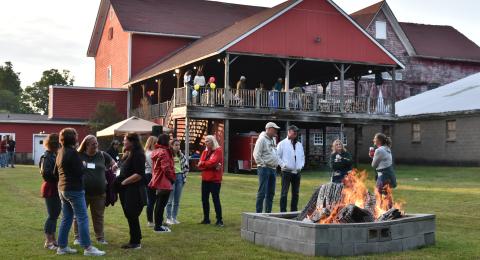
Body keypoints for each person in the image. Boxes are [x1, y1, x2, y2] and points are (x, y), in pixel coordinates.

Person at [56, 128, 105, 256]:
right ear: (73, 138)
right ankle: (88, 248)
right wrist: (83, 165)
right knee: (82, 218)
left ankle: (62, 247)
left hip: (62, 189)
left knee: (66, 218)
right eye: (76, 135)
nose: (77, 136)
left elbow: (55, 172)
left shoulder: (60, 152)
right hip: (74, 190)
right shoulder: (73, 153)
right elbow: (80, 171)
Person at [73, 135, 117, 245]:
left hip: (100, 192)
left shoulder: (102, 155)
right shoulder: (79, 155)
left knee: (98, 217)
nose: (96, 145)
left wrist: (115, 166)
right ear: (86, 145)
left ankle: (100, 238)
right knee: (79, 216)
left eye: (97, 143)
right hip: (82, 192)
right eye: (93, 144)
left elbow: (113, 163)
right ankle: (77, 238)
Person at [116, 133, 147, 249]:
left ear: (132, 142)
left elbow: (139, 174)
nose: (123, 142)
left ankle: (135, 242)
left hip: (134, 190)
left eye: (125, 140)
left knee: (132, 215)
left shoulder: (138, 154)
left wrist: (124, 182)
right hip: (127, 190)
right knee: (130, 215)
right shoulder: (128, 153)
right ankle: (135, 239)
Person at [253, 122, 285, 213]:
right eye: (274, 129)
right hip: (264, 168)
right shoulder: (261, 139)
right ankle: (258, 213)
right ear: (269, 129)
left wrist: (280, 164)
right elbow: (256, 154)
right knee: (262, 192)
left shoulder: (273, 140)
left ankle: (268, 213)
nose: (276, 131)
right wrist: (263, 165)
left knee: (271, 193)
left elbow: (274, 154)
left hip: (273, 169)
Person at [149, 134, 175, 233]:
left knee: (159, 204)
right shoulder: (164, 152)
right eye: (169, 140)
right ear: (165, 141)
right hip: (164, 181)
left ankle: (158, 225)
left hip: (158, 180)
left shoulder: (156, 151)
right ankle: (158, 226)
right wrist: (172, 178)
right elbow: (166, 168)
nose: (170, 142)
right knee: (161, 204)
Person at [39, 133, 61, 250]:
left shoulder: (52, 155)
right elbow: (46, 174)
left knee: (55, 215)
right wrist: (59, 177)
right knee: (52, 215)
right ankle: (48, 241)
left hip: (54, 186)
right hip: (51, 187)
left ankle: (53, 239)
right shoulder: (47, 157)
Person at [277, 125, 305, 212]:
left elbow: (302, 156)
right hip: (286, 172)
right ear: (289, 132)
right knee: (284, 193)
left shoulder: (299, 144)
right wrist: (283, 165)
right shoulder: (282, 144)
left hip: (297, 172)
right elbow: (277, 156)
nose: (295, 134)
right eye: (294, 133)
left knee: (296, 193)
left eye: (296, 133)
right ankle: (283, 212)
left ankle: (294, 211)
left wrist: (301, 165)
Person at [197, 135, 224, 226]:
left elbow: (213, 162)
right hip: (205, 179)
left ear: (213, 141)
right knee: (204, 199)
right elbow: (199, 165)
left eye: (208, 141)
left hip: (215, 180)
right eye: (205, 141)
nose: (206, 142)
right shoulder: (205, 152)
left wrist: (204, 164)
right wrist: (206, 165)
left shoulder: (218, 151)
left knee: (215, 199)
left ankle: (219, 220)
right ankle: (206, 219)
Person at [166, 139, 189, 225]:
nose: (178, 146)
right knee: (169, 200)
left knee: (177, 200)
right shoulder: (168, 155)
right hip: (172, 177)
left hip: (180, 177)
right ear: (171, 145)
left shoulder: (181, 155)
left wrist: (184, 177)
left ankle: (174, 217)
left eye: (179, 145)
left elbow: (186, 166)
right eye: (176, 145)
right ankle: (168, 218)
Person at [370, 133, 397, 206]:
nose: (373, 140)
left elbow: (373, 165)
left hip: (383, 176)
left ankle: (384, 212)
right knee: (387, 195)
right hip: (389, 175)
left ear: (379, 140)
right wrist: (374, 156)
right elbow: (383, 161)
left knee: (379, 196)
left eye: (375, 138)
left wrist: (372, 156)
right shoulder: (387, 148)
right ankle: (391, 211)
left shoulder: (379, 150)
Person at [144, 136, 158, 227]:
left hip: (147, 175)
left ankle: (151, 220)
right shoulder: (151, 153)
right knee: (152, 200)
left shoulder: (145, 152)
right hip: (151, 176)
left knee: (151, 199)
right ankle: (150, 221)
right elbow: (154, 167)